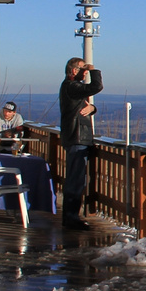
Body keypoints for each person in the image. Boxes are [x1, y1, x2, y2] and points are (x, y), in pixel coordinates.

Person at [58, 57, 102, 231]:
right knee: (75, 180)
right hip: (76, 138)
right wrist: (94, 70)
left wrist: (93, 109)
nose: (86, 72)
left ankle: (71, 216)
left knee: (76, 179)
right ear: (74, 70)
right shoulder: (72, 86)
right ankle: (71, 217)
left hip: (76, 137)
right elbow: (96, 87)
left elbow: (83, 107)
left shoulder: (71, 88)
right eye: (83, 69)